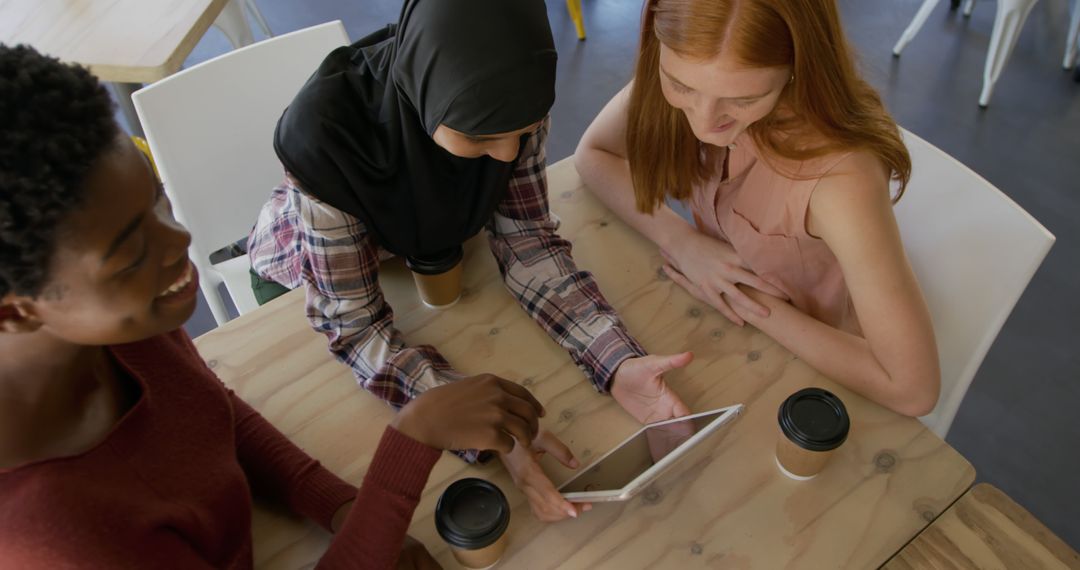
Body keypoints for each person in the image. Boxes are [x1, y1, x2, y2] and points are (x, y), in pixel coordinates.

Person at [0, 43, 550, 570]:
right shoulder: (59, 542)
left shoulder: (119, 325)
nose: (178, 242)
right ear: (15, 311)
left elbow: (203, 412)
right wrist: (410, 444)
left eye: (158, 200)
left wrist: (344, 509)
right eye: (129, 255)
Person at [248, 0, 694, 521]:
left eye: (522, 132)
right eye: (482, 136)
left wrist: (616, 360)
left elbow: (527, 239)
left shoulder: (509, 93)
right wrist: (481, 427)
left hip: (430, 243)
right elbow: (354, 326)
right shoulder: (325, 141)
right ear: (424, 94)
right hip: (304, 263)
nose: (509, 155)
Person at [575, 0, 940, 417]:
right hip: (725, 330)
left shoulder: (841, 182)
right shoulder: (698, 59)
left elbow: (913, 390)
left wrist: (747, 299)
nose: (704, 123)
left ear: (798, 68)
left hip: (822, 368)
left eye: (744, 99)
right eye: (681, 86)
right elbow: (594, 154)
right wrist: (681, 240)